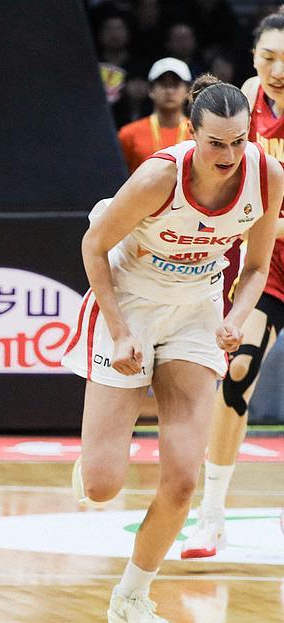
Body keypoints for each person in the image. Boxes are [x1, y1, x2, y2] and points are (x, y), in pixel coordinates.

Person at [62, 75, 283, 623]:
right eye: (216, 143)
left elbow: (257, 266)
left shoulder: (266, 175)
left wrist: (235, 317)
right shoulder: (160, 176)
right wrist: (120, 331)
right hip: (129, 300)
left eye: (239, 141)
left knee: (183, 478)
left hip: (196, 309)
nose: (229, 155)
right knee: (102, 487)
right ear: (191, 132)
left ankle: (131, 597)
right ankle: (92, 462)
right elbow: (93, 246)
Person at [184, 7, 284, 558]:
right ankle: (212, 515)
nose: (277, 70)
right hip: (268, 268)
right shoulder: (246, 101)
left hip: (268, 239)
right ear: (253, 57)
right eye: (268, 57)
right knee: (237, 371)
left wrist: (264, 217)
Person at [117, 58, 192, 173]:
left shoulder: (199, 134)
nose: (169, 90)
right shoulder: (128, 134)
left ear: (188, 91)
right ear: (151, 90)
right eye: (163, 84)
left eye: (175, 84)